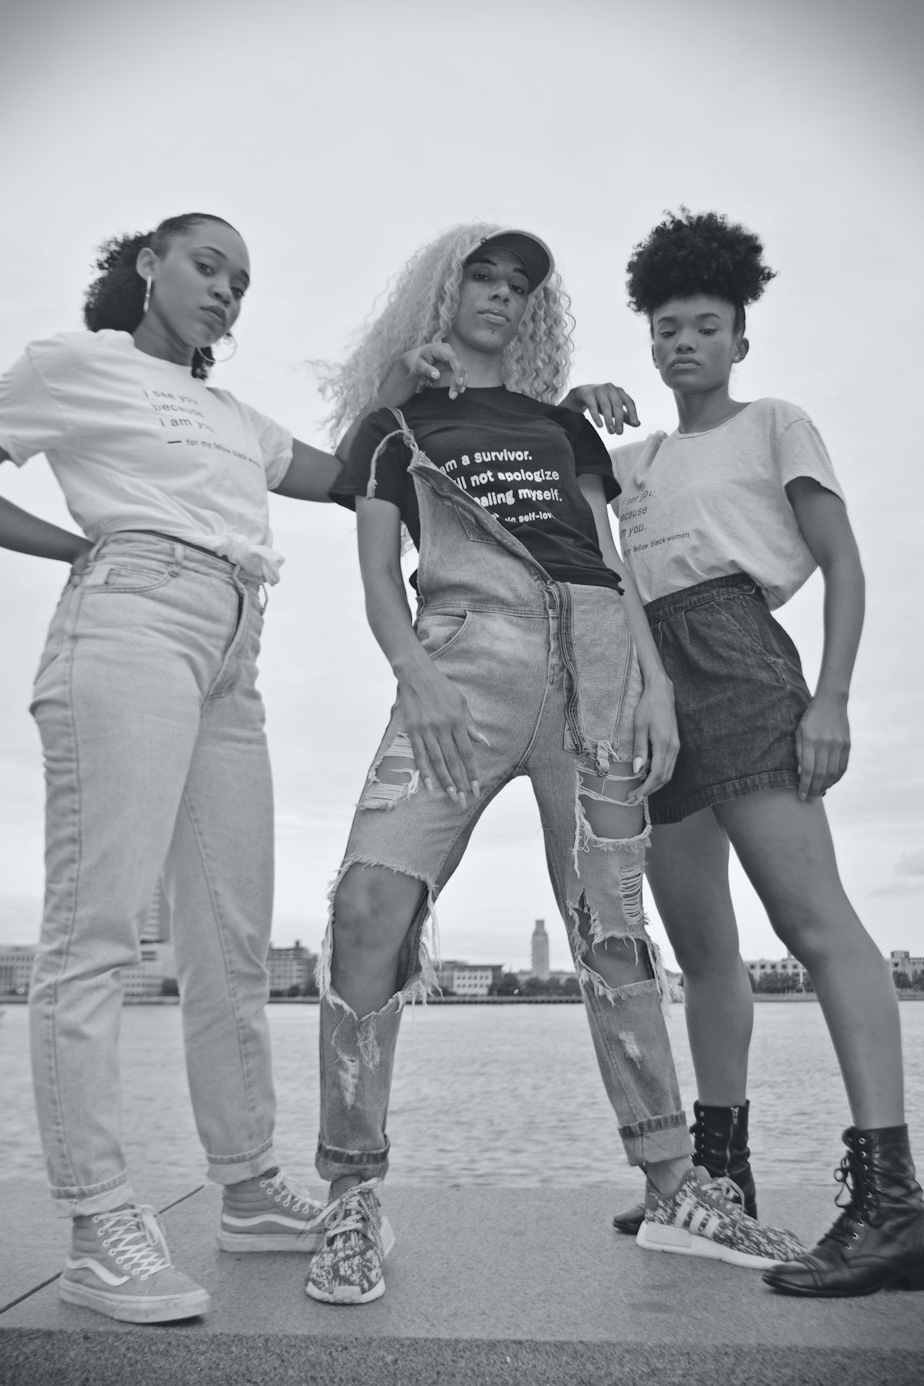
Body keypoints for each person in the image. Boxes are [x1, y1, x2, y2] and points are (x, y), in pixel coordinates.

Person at [303, 223, 805, 1306]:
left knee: (614, 925)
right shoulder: (393, 424)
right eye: (481, 277)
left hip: (598, 662)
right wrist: (411, 670)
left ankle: (674, 1186)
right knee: (366, 905)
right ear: (440, 290)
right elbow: (378, 561)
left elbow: (604, 550)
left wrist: (655, 685)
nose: (501, 295)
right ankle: (350, 1195)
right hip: (461, 660)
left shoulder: (565, 419)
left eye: (518, 285)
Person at [0, 213, 349, 1323]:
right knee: (95, 930)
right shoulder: (77, 364)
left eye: (242, 282)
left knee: (231, 938)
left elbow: (353, 474)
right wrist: (73, 547)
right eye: (208, 266)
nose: (225, 292)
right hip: (129, 627)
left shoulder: (230, 413)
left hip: (234, 647)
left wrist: (434, 378)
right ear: (148, 265)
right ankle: (97, 1220)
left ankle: (249, 1184)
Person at [582, 207, 924, 1297]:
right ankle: (717, 1180)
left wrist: (830, 699)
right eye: (665, 328)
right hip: (652, 692)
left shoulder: (775, 421)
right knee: (704, 950)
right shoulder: (628, 459)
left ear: (737, 337)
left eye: (704, 326)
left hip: (739, 659)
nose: (682, 342)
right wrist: (566, 407)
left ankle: (891, 1198)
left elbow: (844, 562)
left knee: (814, 925)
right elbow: (535, 468)